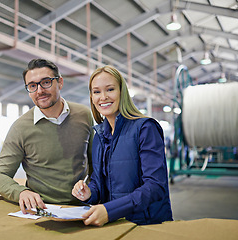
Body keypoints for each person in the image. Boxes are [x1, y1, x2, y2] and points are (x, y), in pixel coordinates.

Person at [72, 65, 173, 226]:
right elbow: (98, 182)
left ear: (122, 92)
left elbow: (155, 186)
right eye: (96, 92)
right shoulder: (98, 135)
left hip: (146, 224)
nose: (103, 97)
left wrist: (110, 210)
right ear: (91, 97)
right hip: (113, 223)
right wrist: (89, 193)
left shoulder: (145, 128)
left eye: (110, 89)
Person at [0, 59, 93, 214]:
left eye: (46, 82)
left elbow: (96, 164)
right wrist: (21, 192)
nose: (39, 91)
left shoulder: (83, 115)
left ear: (60, 82)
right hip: (43, 210)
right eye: (32, 86)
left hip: (83, 207)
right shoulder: (21, 127)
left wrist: (94, 191)